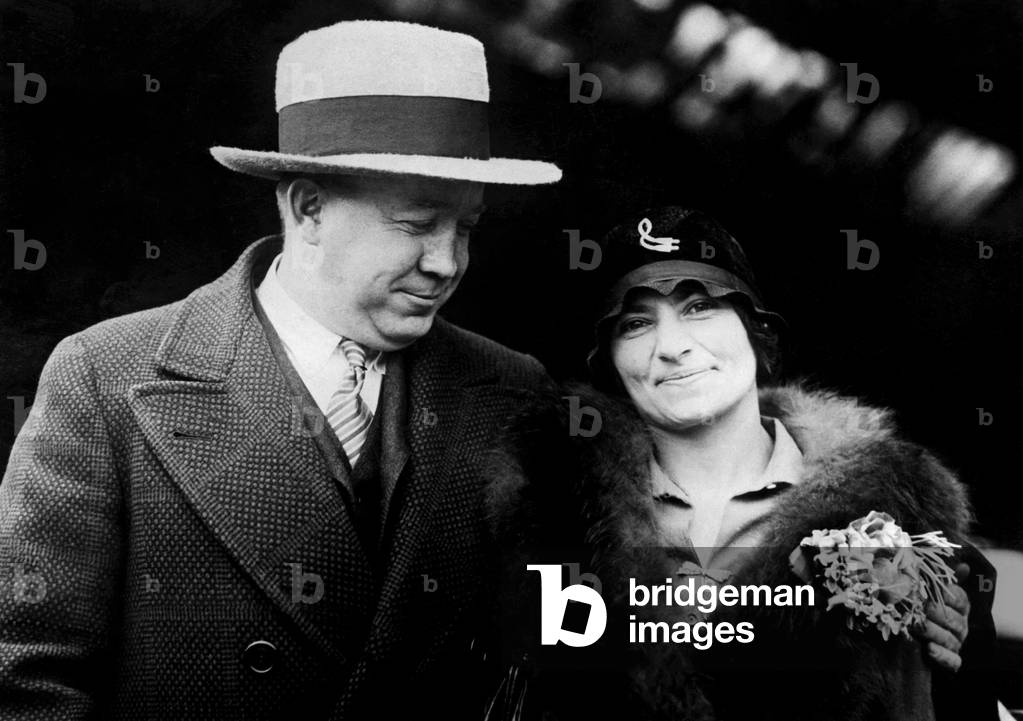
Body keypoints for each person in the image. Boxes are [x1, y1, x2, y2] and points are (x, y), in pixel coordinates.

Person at [0, 20, 559, 720]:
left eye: (466, 227)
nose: (447, 262)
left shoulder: (511, 392)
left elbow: (545, 667)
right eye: (416, 223)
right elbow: (28, 682)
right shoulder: (105, 378)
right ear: (308, 207)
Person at [484, 207, 999, 721]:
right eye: (636, 322)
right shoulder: (551, 523)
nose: (673, 346)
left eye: (699, 307)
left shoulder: (906, 531)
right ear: (610, 360)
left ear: (757, 328)